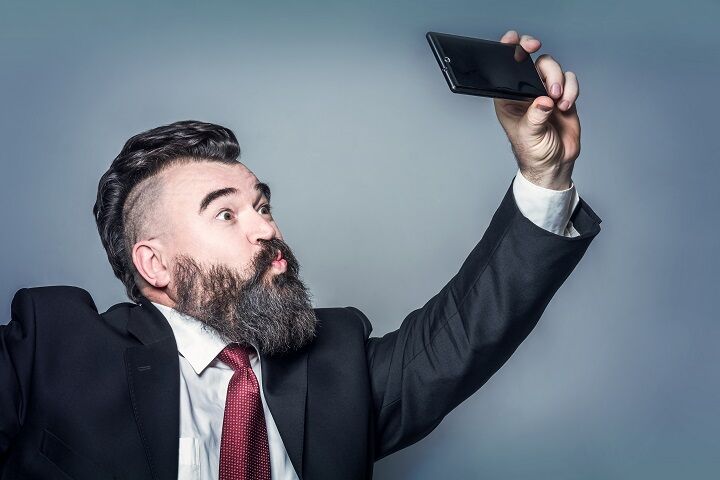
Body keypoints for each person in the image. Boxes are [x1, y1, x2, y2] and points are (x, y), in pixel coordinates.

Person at [0, 29, 601, 480]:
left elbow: (466, 332)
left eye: (261, 205)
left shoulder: (336, 360)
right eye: (226, 213)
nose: (265, 228)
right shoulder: (49, 348)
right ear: (153, 264)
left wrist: (544, 177)